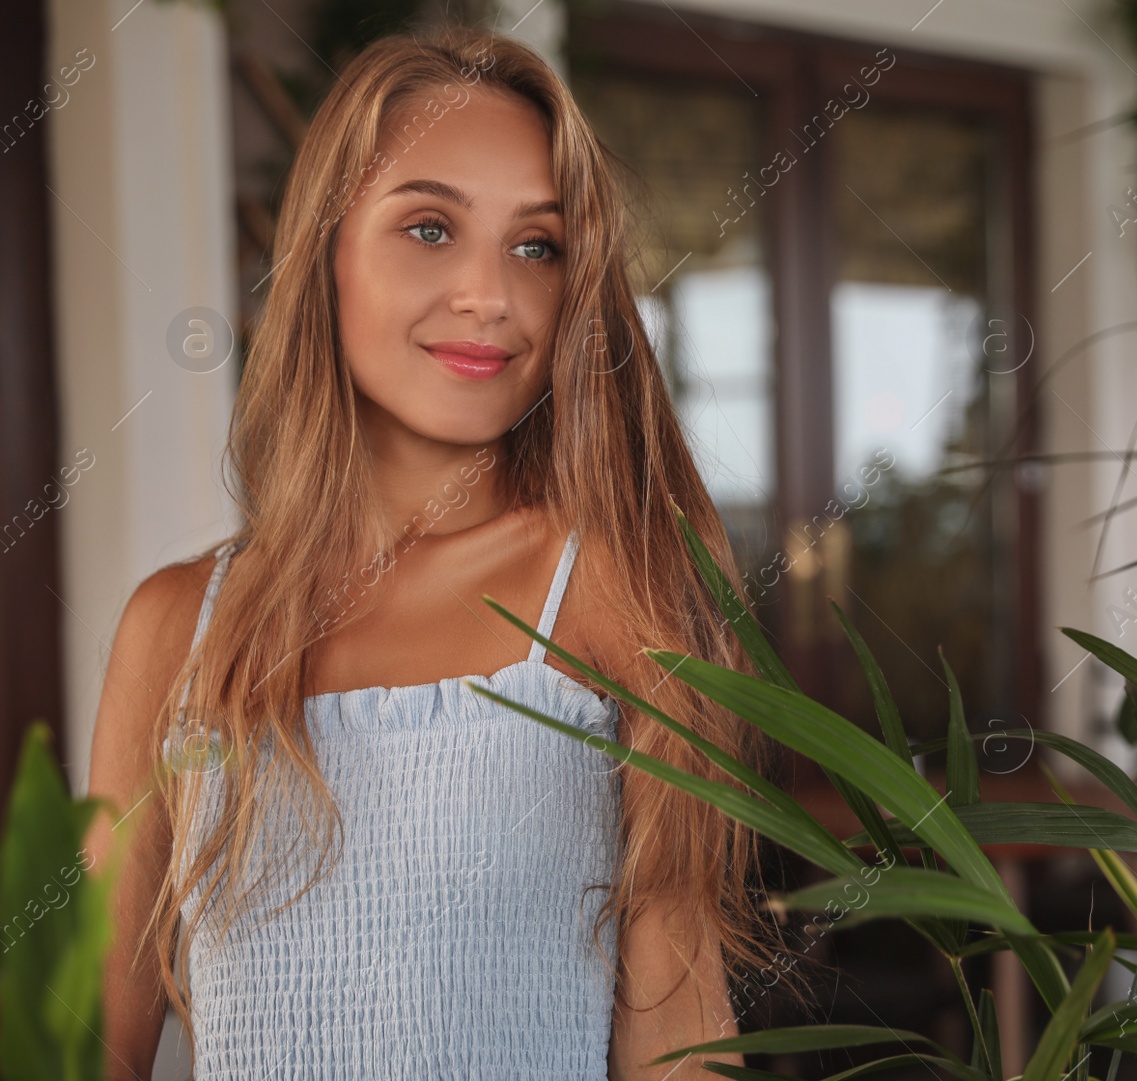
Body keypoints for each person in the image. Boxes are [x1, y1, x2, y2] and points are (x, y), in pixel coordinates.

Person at [82, 26, 782, 1080]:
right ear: (323, 248)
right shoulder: (179, 627)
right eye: (428, 227)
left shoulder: (616, 595)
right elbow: (83, 1040)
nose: (490, 296)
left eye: (536, 246)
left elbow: (678, 1035)